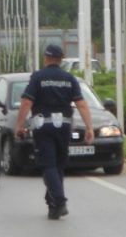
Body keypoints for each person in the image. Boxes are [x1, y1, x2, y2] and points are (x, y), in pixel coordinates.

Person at [15, 44, 95, 220]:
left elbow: (27, 103)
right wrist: (89, 127)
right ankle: (52, 204)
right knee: (58, 166)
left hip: (43, 128)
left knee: (48, 165)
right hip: (64, 128)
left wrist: (19, 125)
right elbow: (81, 104)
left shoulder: (38, 77)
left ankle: (59, 200)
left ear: (46, 58)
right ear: (61, 59)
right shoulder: (69, 79)